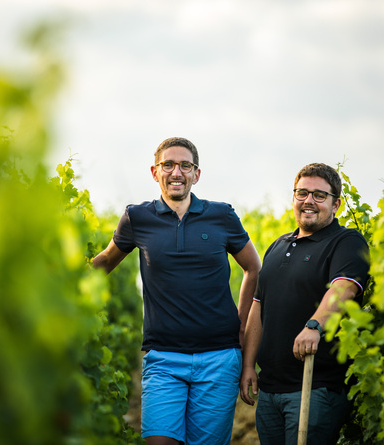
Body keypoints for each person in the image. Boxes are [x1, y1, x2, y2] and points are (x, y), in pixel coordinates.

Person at [93, 137, 261, 445]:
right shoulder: (137, 218)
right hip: (163, 358)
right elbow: (104, 261)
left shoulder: (222, 216)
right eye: (168, 165)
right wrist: (59, 276)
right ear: (154, 172)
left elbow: (254, 267)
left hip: (219, 358)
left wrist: (240, 321)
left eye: (185, 165)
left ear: (197, 174)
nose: (176, 172)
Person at [239, 163, 370, 445]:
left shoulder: (346, 241)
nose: (308, 201)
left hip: (315, 387)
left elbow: (344, 286)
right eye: (302, 193)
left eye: (319, 196)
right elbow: (259, 307)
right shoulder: (277, 246)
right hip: (271, 389)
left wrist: (315, 325)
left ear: (336, 204)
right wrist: (248, 365)